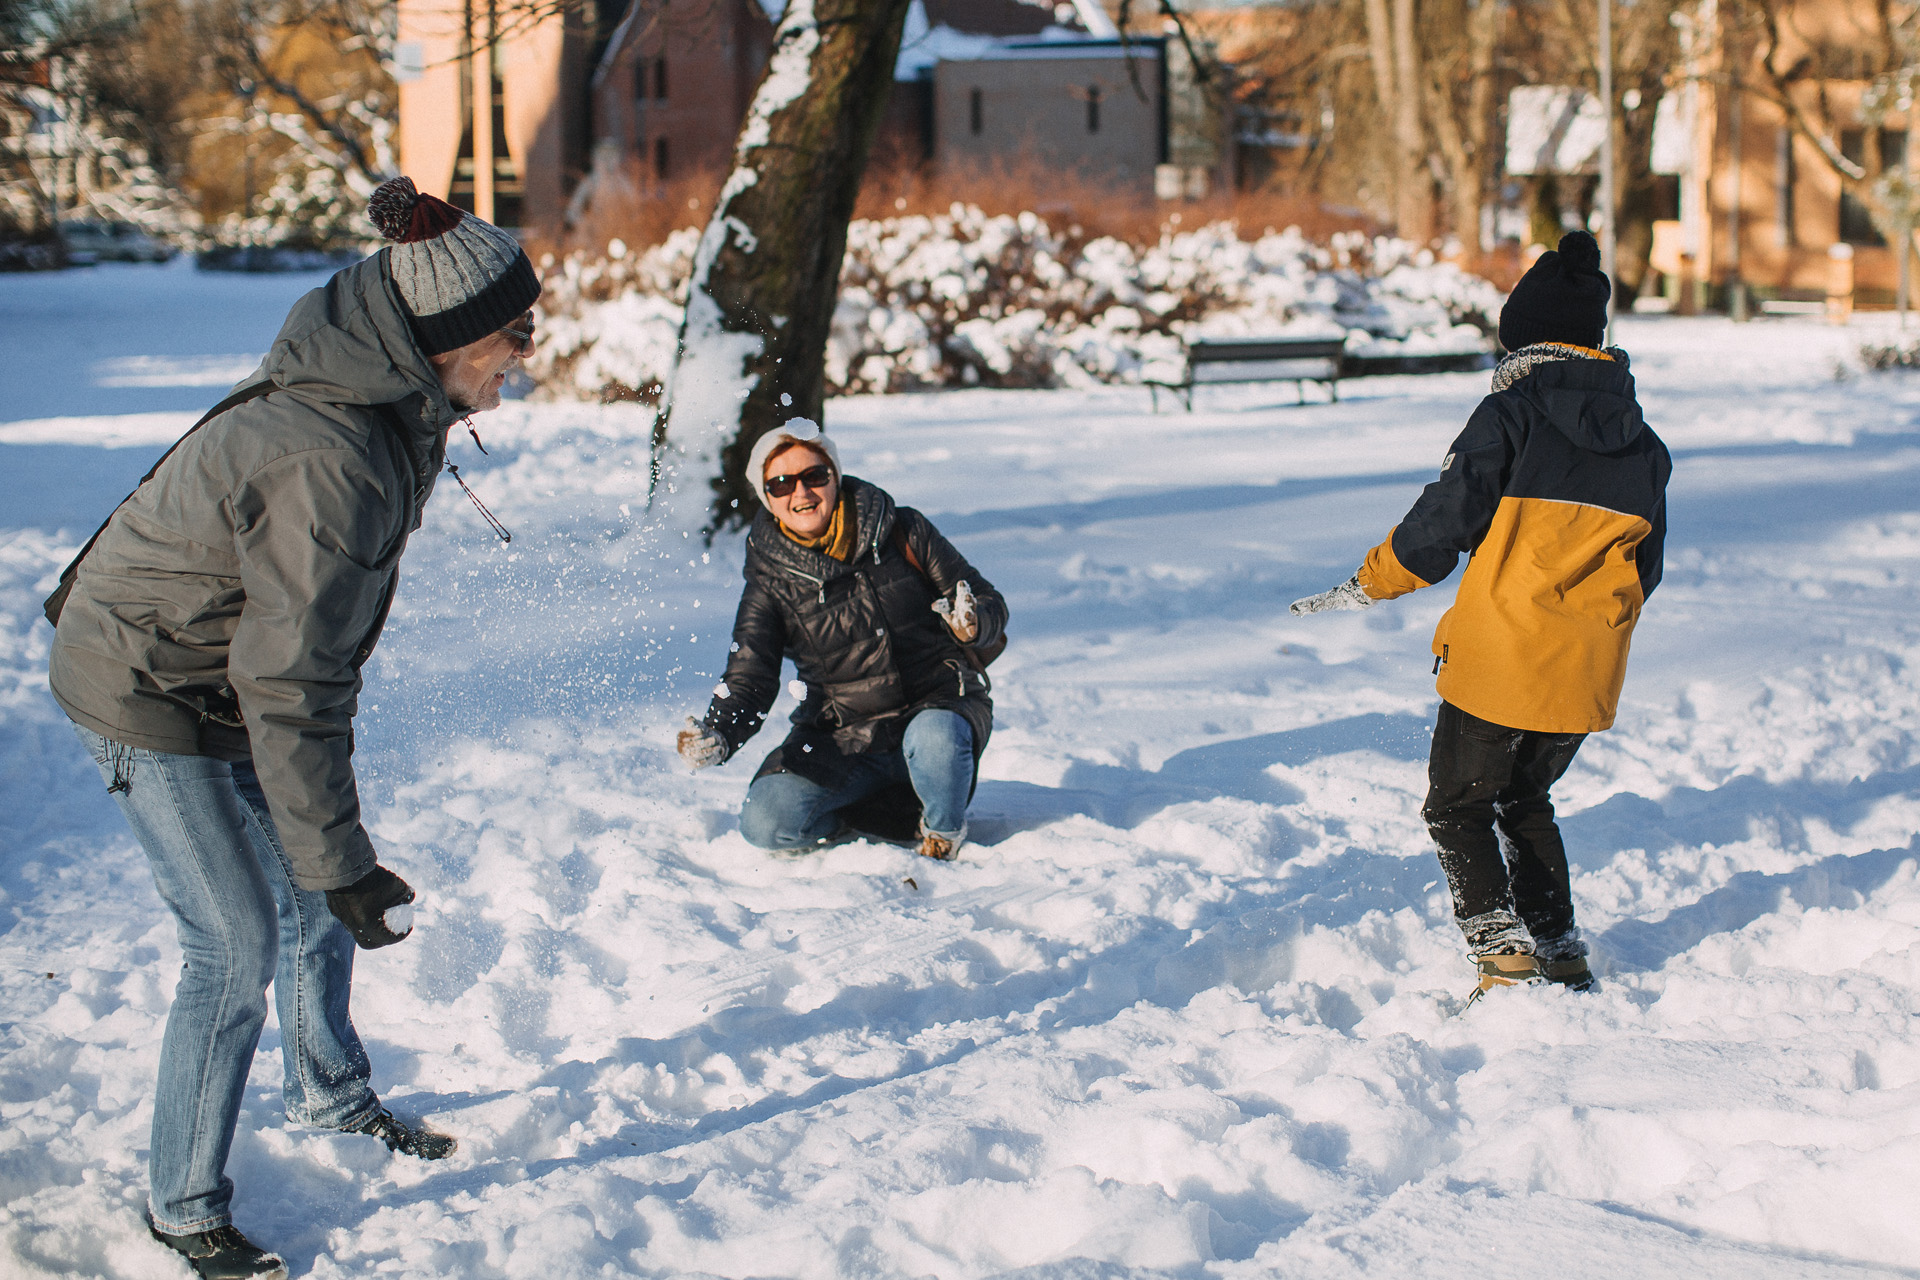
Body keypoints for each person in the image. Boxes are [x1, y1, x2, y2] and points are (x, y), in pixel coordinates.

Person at [46, 176, 540, 1279]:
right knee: (233, 941)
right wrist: (344, 860)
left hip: (225, 669)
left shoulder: (386, 396)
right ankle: (182, 1208)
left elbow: (299, 661)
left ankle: (328, 1093)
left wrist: (336, 859)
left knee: (319, 881)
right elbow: (292, 681)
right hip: (146, 678)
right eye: (514, 333)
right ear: (448, 339)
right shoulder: (336, 451)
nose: (525, 352)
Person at [1290, 231, 1670, 1001]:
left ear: (1523, 338)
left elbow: (1441, 525)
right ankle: (1560, 949)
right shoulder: (1645, 446)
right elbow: (1645, 571)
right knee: (1524, 799)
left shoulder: (1511, 413)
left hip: (1502, 657)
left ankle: (1502, 956)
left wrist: (1370, 582)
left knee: (1456, 806)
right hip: (1584, 666)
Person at [677, 421, 1008, 861]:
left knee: (936, 738)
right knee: (765, 823)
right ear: (766, 496)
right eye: (781, 484)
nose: (801, 493)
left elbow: (986, 601)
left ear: (834, 475)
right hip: (844, 734)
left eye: (814, 476)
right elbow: (750, 673)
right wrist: (719, 731)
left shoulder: (902, 529)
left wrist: (973, 623)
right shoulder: (769, 580)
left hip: (936, 705)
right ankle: (859, 817)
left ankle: (941, 832)